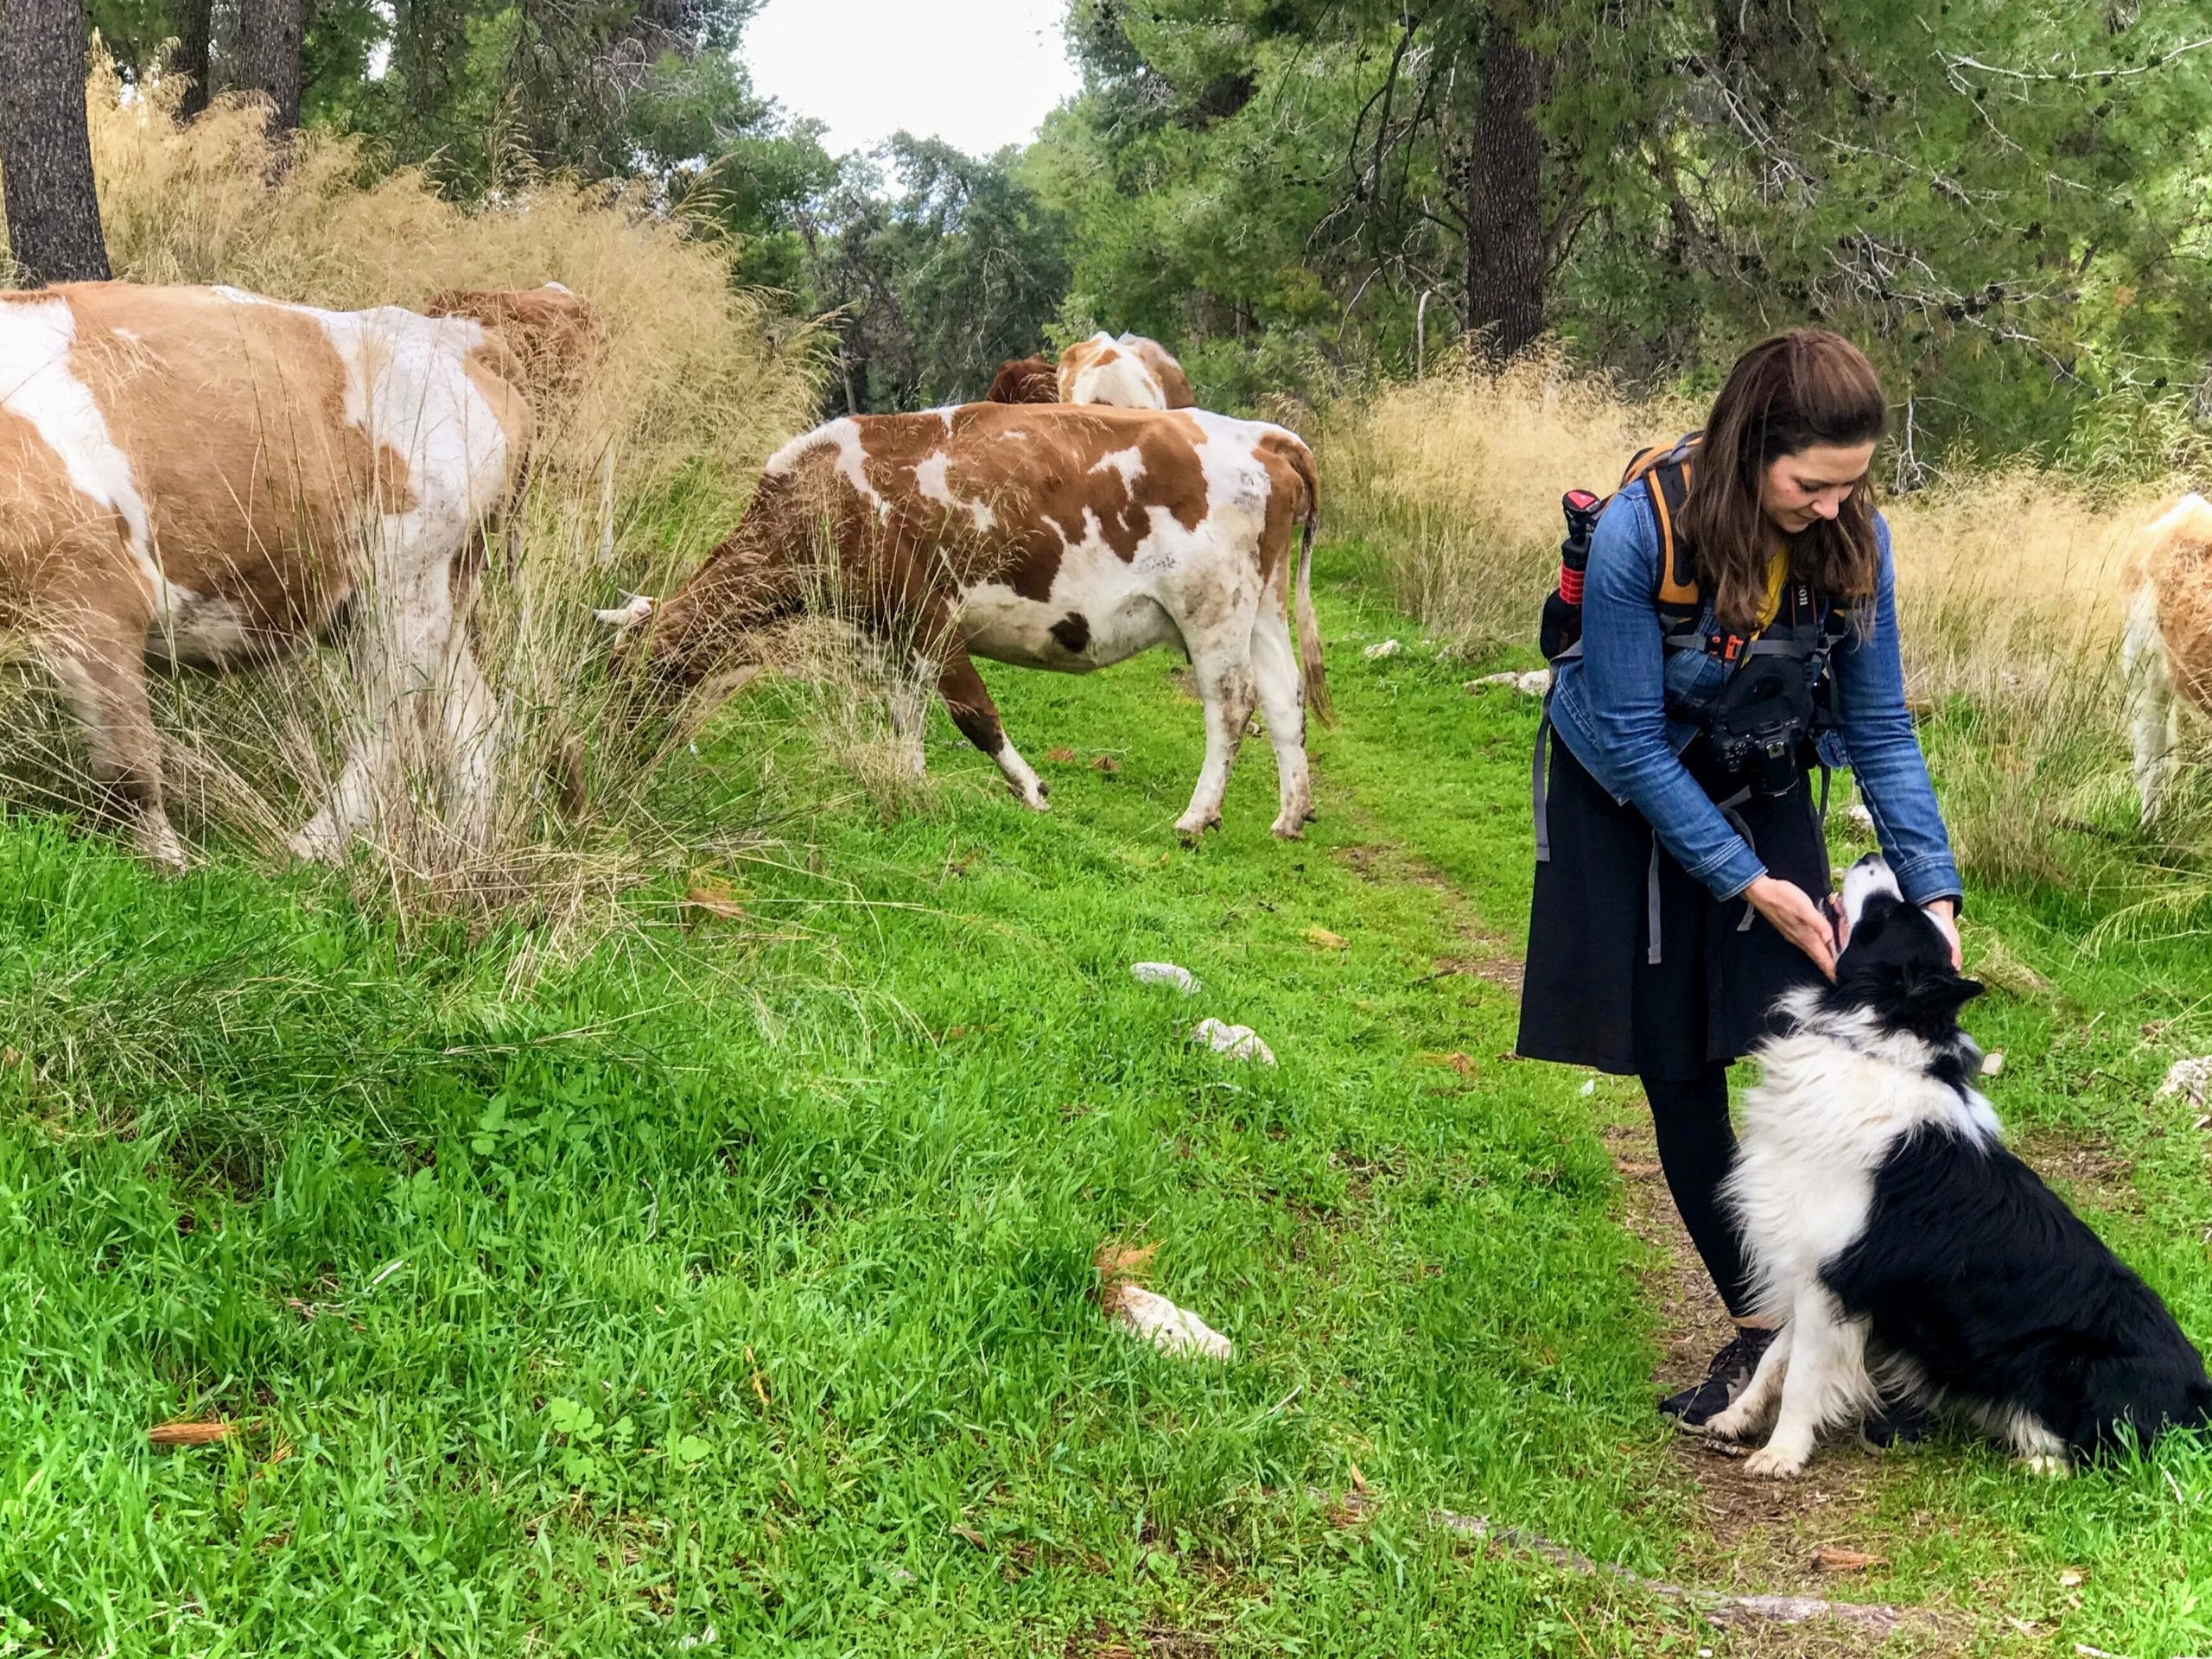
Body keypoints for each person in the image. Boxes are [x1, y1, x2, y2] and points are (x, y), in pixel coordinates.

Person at [1516, 329, 1963, 1430]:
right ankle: (1759, 1333)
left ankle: (1846, 1324)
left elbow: (1879, 725)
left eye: (1853, 485)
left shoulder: (1854, 539)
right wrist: (1744, 881)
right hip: (1620, 794)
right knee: (1676, 1062)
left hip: (1757, 768)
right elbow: (1624, 732)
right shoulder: (1641, 534)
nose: (1831, 508)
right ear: (1750, 448)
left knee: (1792, 1036)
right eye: (1811, 484)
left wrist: (1933, 888)